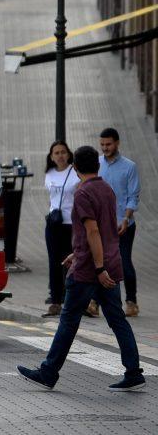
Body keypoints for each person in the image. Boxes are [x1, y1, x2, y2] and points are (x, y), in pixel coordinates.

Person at [17, 146, 144, 392]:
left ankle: (48, 372)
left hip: (89, 270)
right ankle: (133, 371)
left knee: (69, 319)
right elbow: (104, 230)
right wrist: (78, 253)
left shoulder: (83, 193)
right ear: (97, 166)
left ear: (75, 168)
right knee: (117, 319)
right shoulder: (106, 189)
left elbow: (93, 231)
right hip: (108, 262)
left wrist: (95, 267)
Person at [92, 128, 140, 317]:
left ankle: (131, 302)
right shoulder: (97, 164)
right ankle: (95, 302)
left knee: (124, 261)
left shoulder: (129, 167)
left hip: (124, 224)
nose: (105, 148)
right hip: (102, 225)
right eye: (102, 144)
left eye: (109, 144)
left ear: (117, 143)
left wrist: (126, 219)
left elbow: (133, 197)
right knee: (99, 262)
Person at [43, 140, 79, 317]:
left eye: (63, 152)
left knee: (72, 263)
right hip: (54, 224)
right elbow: (51, 198)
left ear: (69, 154)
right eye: (56, 153)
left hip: (71, 224)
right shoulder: (49, 173)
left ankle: (73, 300)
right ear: (51, 156)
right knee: (54, 262)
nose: (60, 156)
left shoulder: (75, 172)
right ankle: (55, 300)